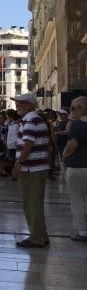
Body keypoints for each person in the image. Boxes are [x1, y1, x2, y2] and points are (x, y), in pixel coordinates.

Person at [12, 93, 51, 248]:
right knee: (35, 203)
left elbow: (28, 144)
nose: (17, 106)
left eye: (20, 103)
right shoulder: (33, 119)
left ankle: (36, 237)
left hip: (31, 168)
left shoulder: (32, 119)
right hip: (35, 167)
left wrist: (19, 163)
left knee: (31, 203)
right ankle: (41, 235)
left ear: (29, 104)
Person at [62, 97, 87, 241]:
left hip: (77, 167)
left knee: (77, 199)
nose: (71, 112)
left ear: (81, 108)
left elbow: (72, 145)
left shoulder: (77, 125)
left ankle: (82, 231)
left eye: (72, 108)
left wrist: (65, 155)